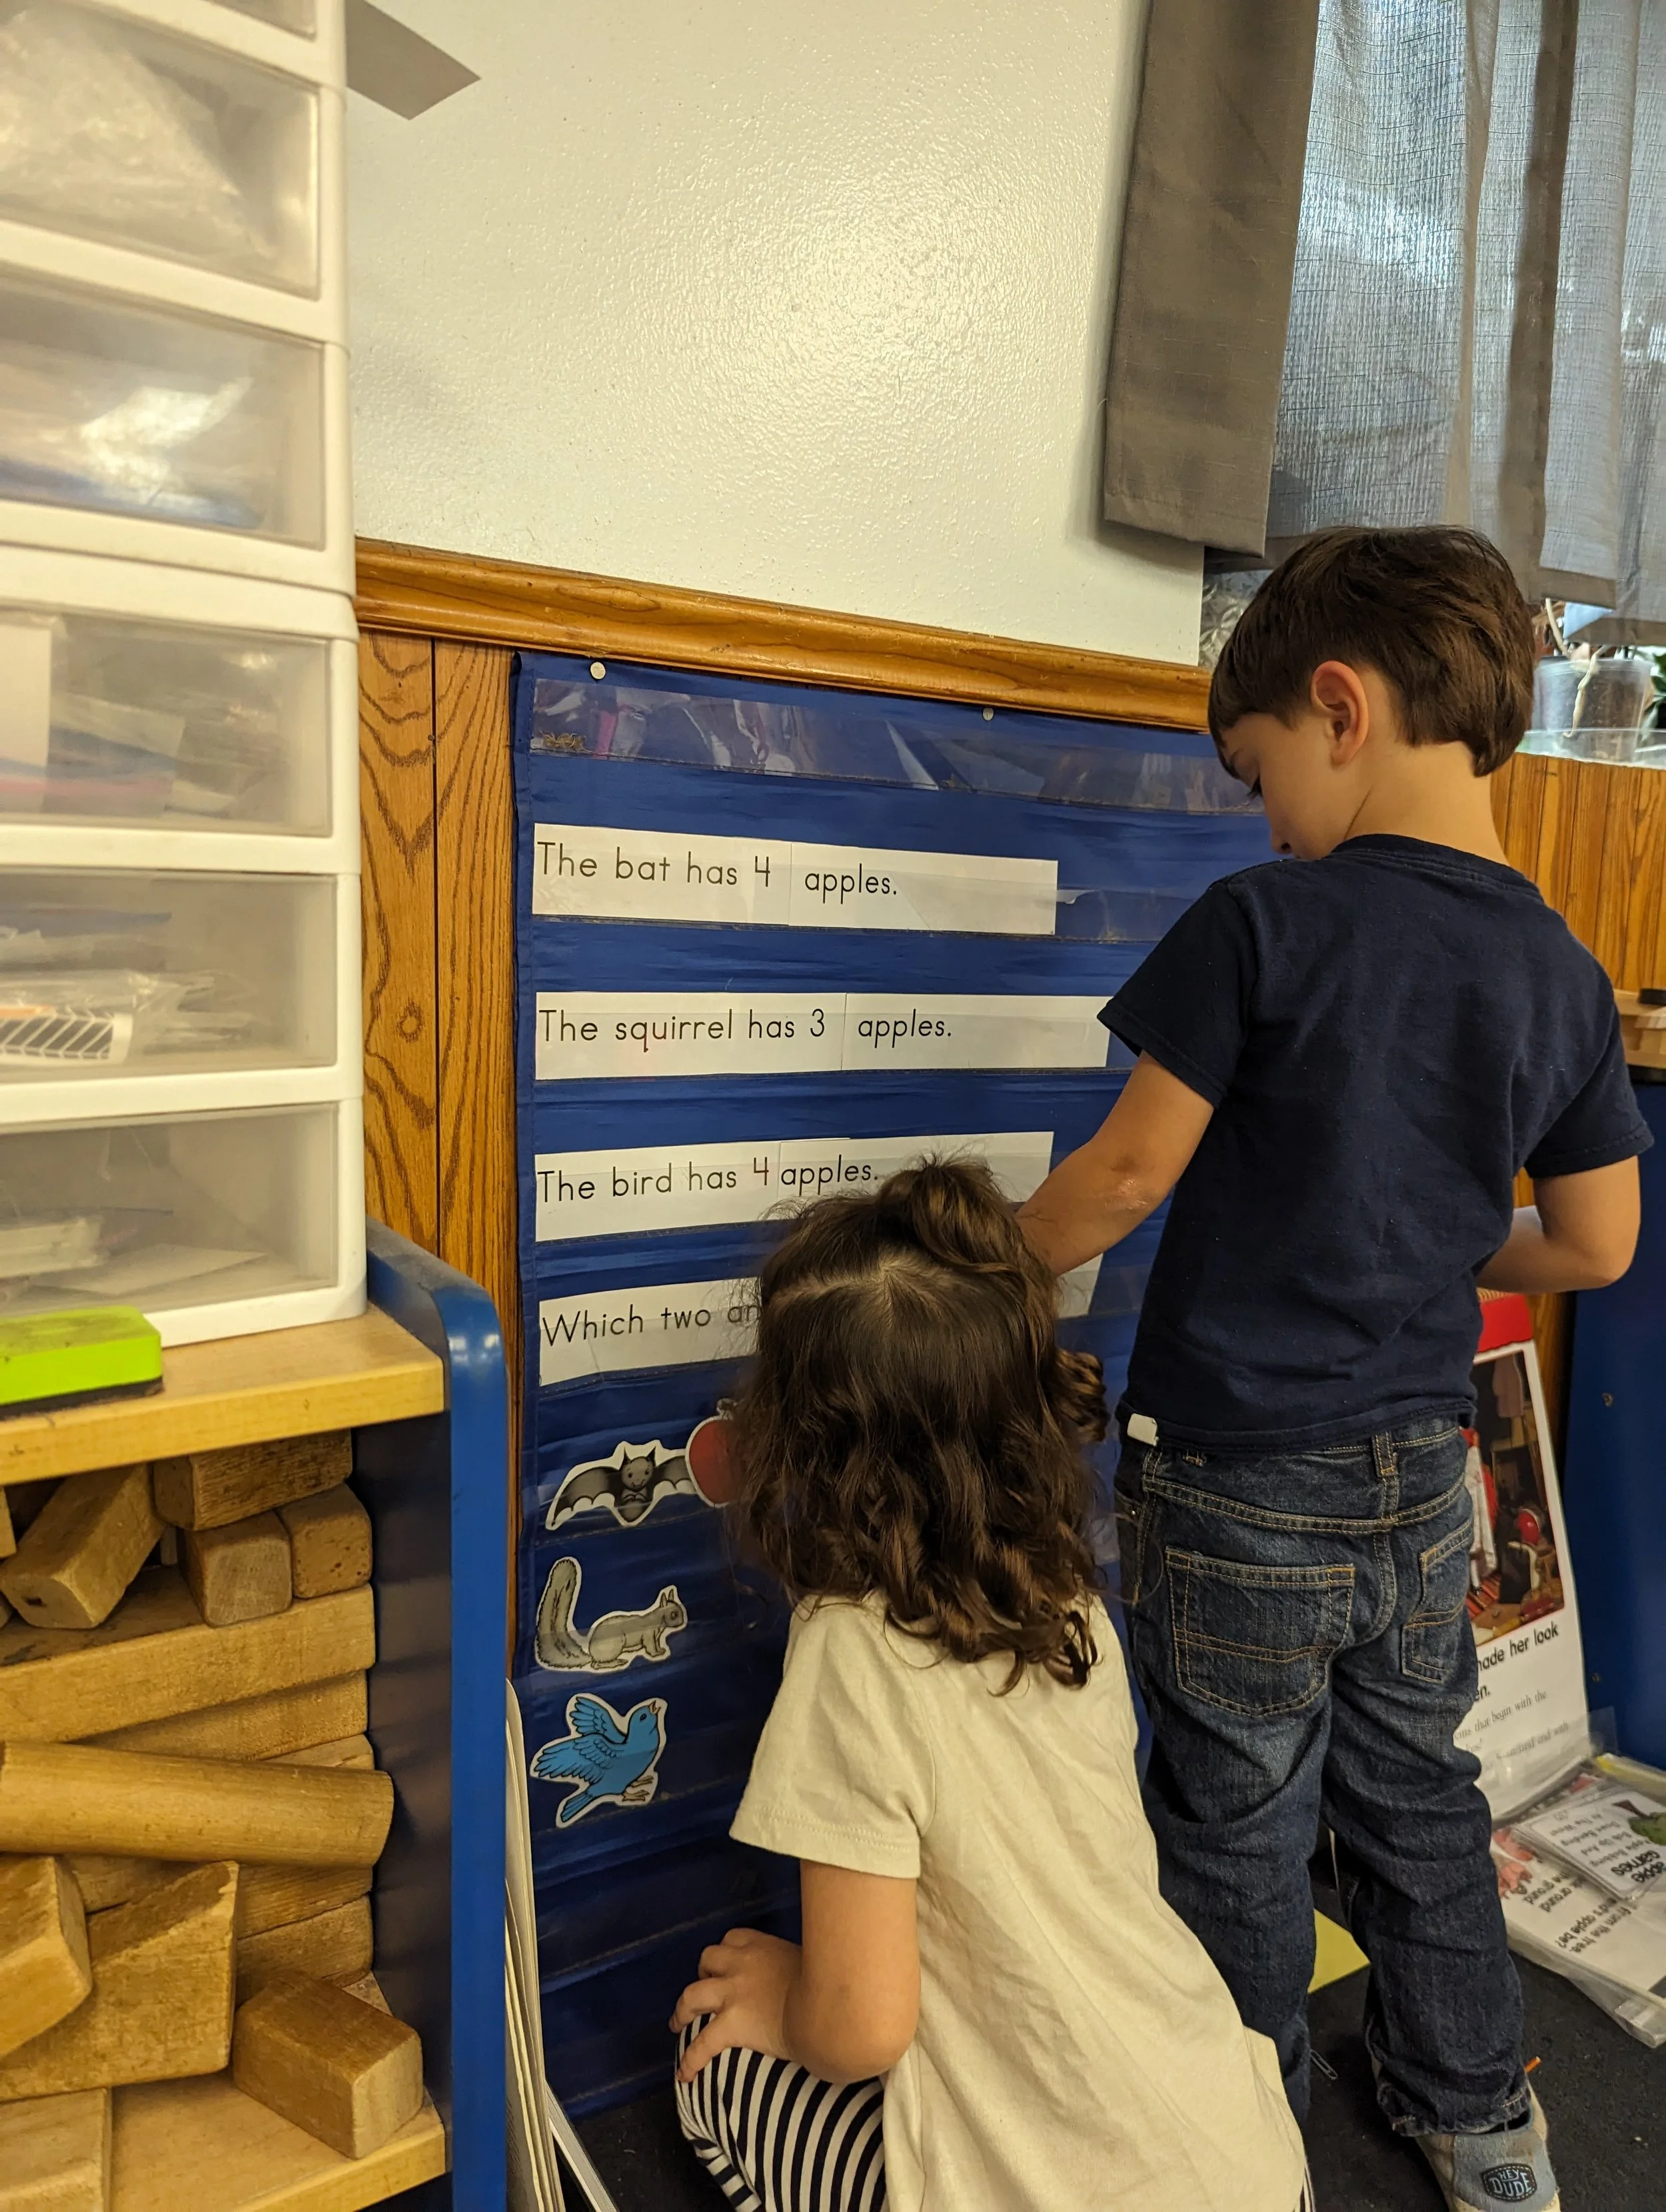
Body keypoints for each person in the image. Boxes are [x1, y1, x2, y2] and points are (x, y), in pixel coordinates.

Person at [1016, 527, 1650, 2212]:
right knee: (1412, 1789)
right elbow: (1593, 1244)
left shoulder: (1264, 924)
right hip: (1419, 1480)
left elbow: (1127, 1175)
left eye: (1258, 774)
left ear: (1338, 704)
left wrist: (986, 1263)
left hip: (1235, 1475)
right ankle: (1487, 2132)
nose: (1262, 815)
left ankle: (1234, 2145)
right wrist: (1452, 1254)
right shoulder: (1562, 970)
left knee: (1230, 1817)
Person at [670, 1159, 1309, 2212]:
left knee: (714, 2039)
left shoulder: (845, 1653)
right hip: (1246, 2163)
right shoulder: (1064, 1597)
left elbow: (861, 2030)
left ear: (802, 1445)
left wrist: (787, 2000)